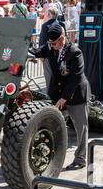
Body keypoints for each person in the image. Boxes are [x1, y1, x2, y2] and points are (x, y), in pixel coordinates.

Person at [29, 24, 89, 170]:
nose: (51, 46)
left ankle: (80, 159)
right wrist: (26, 53)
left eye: (54, 43)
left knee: (80, 127)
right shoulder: (50, 47)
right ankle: (50, 154)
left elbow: (76, 77)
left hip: (76, 95)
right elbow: (36, 51)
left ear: (62, 39)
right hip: (58, 95)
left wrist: (65, 98)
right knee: (52, 123)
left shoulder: (75, 52)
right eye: (49, 43)